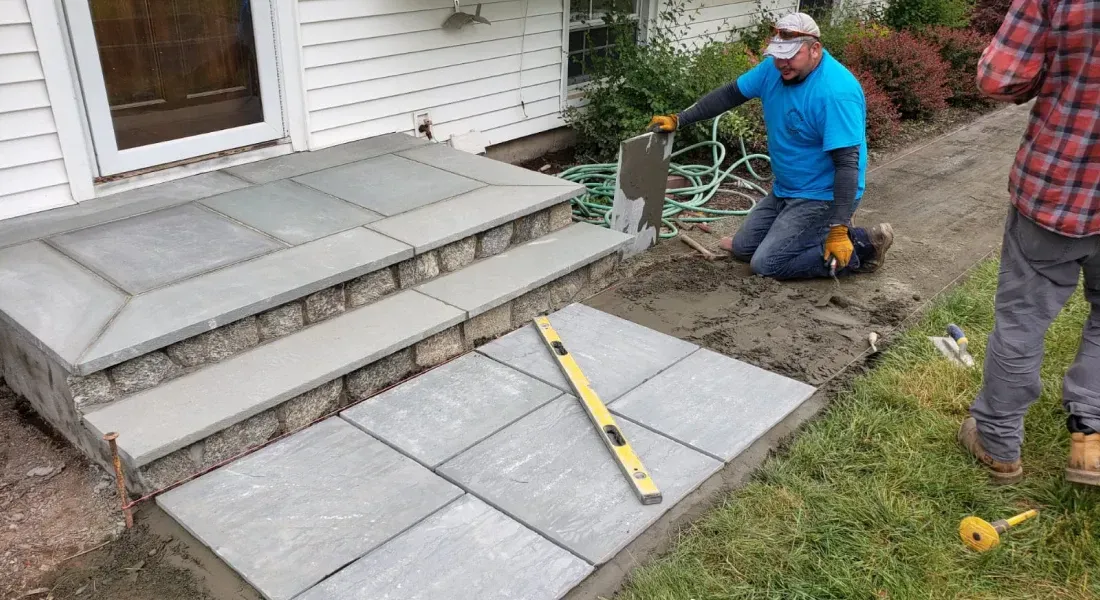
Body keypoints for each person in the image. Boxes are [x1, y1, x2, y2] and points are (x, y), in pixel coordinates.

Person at [956, 0, 1100, 486]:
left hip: (1060, 188)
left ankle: (998, 444)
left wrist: (1058, 71)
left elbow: (998, 77)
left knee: (1022, 320)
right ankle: (1090, 440)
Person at [648, 12, 893, 280]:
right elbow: (730, 94)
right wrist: (680, 119)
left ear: (815, 50)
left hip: (823, 196)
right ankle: (812, 235)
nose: (782, 63)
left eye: (791, 56)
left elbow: (847, 165)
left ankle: (861, 244)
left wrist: (839, 225)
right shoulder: (772, 70)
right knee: (743, 249)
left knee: (766, 265)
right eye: (778, 55)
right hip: (787, 189)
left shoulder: (836, 92)